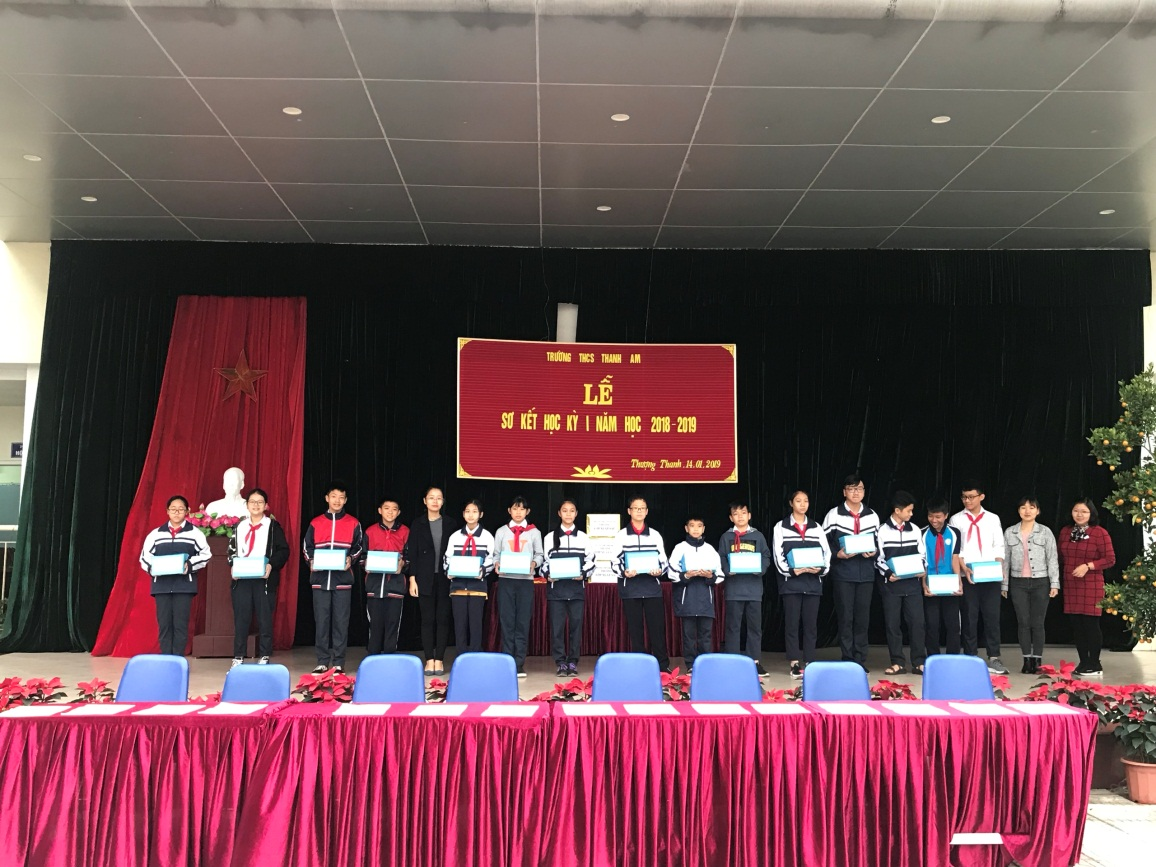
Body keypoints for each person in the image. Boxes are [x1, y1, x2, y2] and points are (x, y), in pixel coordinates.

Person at [303, 481, 364, 674]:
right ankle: (322, 661)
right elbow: (307, 547)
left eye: (341, 497)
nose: (337, 500)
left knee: (341, 623)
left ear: (345, 500)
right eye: (334, 496)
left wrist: (350, 559)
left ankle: (338, 662)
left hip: (343, 581)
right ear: (327, 498)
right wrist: (311, 560)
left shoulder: (353, 523)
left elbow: (359, 547)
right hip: (319, 581)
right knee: (321, 622)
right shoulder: (315, 523)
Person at [139, 495, 211, 656]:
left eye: (180, 509)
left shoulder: (195, 533)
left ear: (187, 511)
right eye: (173, 509)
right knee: (164, 624)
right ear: (167, 511)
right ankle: (166, 658)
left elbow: (206, 555)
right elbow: (144, 557)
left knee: (180, 624)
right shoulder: (156, 534)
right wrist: (152, 568)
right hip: (161, 586)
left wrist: (189, 565)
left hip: (184, 586)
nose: (177, 512)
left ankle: (178, 658)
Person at [949, 480, 1008, 675]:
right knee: (969, 617)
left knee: (992, 617)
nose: (967, 501)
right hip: (968, 575)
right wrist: (964, 568)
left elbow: (998, 545)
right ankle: (970, 656)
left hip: (990, 575)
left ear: (981, 497)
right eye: (964, 497)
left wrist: (998, 565)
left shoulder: (992, 518)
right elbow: (956, 549)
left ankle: (994, 657)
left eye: (971, 497)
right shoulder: (956, 519)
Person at [226, 487, 290, 667]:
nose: (256, 505)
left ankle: (264, 654)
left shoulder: (273, 527)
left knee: (264, 618)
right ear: (247, 505)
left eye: (260, 502)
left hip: (264, 580)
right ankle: (238, 655)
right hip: (242, 579)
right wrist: (232, 565)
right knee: (241, 618)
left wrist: (271, 565)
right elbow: (231, 551)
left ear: (266, 505)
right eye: (252, 502)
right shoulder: (239, 526)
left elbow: (284, 551)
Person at [822, 474, 880, 671]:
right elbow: (824, 543)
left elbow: (878, 543)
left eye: (859, 488)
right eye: (852, 489)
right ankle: (848, 658)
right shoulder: (834, 515)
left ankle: (860, 659)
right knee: (845, 617)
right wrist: (836, 554)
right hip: (843, 574)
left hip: (866, 574)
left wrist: (874, 552)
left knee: (862, 618)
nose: (856, 492)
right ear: (844, 492)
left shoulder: (872, 515)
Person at [770, 490, 831, 679]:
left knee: (811, 625)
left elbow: (826, 553)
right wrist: (790, 571)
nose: (802, 504)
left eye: (806, 501)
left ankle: (810, 661)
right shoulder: (781, 527)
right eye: (798, 501)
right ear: (791, 503)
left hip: (813, 583)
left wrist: (821, 570)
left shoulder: (816, 527)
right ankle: (794, 662)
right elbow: (778, 555)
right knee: (792, 624)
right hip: (791, 584)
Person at [1058, 498, 1116, 677]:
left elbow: (1110, 559)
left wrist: (1089, 566)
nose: (1079, 515)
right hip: (1071, 583)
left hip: (1091, 584)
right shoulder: (1066, 532)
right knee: (1077, 625)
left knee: (1091, 624)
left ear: (1091, 514)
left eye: (1084, 511)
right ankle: (1083, 662)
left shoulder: (1099, 533)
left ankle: (1095, 664)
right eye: (1076, 511)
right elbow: (1061, 556)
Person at [612, 496, 670, 672]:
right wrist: (624, 572)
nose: (639, 511)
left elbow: (664, 561)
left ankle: (662, 665)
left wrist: (659, 570)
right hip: (630, 589)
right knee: (635, 630)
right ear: (629, 511)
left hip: (652, 588)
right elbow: (614, 562)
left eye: (642, 508)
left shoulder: (655, 535)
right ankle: (640, 666)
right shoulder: (621, 535)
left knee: (657, 629)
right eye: (635, 508)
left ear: (647, 511)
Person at [1002, 496, 1060, 674]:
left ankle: (1038, 660)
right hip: (1018, 582)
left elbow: (1052, 558)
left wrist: (1054, 583)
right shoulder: (1010, 532)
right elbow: (1005, 561)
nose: (1027, 511)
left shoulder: (1045, 532)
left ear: (1038, 511)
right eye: (1023, 508)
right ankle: (1027, 660)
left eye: (1031, 507)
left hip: (1041, 581)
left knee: (1038, 623)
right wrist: (1004, 585)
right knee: (1023, 622)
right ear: (1018, 511)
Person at [406, 486, 457, 676]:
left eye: (439, 498)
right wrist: (412, 579)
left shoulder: (451, 524)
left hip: (445, 578)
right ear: (425, 501)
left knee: (443, 619)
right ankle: (429, 659)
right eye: (431, 498)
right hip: (424, 578)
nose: (435, 501)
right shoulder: (417, 524)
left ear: (443, 502)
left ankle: (439, 659)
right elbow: (413, 553)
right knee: (427, 620)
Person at [875, 491, 928, 675]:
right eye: (909, 511)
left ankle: (919, 662)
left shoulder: (915, 530)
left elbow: (923, 555)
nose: (912, 514)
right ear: (897, 511)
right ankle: (897, 662)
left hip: (912, 585)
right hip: (891, 585)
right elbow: (877, 558)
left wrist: (922, 568)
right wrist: (888, 573)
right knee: (893, 624)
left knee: (917, 623)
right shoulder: (881, 531)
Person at [718, 501, 772, 676]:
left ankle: (754, 661)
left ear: (749, 515)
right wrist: (728, 570)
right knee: (733, 627)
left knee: (754, 627)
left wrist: (760, 569)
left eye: (743, 513)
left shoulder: (758, 536)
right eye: (736, 514)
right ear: (730, 518)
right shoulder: (726, 537)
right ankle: (733, 661)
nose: (740, 517)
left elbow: (766, 556)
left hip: (754, 589)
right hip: (734, 589)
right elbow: (721, 557)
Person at [542, 499, 595, 677]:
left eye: (572, 510)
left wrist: (583, 573)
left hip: (576, 589)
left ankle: (573, 661)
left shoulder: (583, 537)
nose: (568, 514)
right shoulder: (549, 537)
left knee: (576, 627)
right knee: (557, 628)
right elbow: (545, 563)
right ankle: (560, 662)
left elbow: (591, 561)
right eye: (564, 510)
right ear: (559, 513)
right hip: (556, 590)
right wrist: (548, 574)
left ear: (576, 513)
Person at [493, 495, 544, 678]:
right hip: (506, 580)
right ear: (509, 511)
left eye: (522, 509)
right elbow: (495, 554)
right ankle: (508, 661)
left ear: (527, 511)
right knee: (507, 621)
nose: (518, 512)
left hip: (525, 582)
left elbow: (540, 555)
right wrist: (496, 564)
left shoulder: (534, 532)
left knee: (522, 622)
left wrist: (534, 563)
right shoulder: (501, 531)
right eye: (515, 508)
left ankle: (519, 663)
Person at [669, 515, 724, 673]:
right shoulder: (680, 548)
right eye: (692, 526)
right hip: (687, 599)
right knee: (689, 636)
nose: (695, 529)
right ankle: (691, 665)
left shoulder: (710, 549)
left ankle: (705, 664)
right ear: (686, 528)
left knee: (706, 635)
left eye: (699, 526)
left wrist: (710, 576)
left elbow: (720, 575)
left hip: (706, 599)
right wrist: (686, 575)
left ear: (703, 529)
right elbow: (671, 572)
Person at [445, 499, 495, 656]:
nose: (471, 515)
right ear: (463, 514)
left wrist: (482, 571)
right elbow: (447, 558)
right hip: (458, 587)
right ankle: (460, 657)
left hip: (477, 587)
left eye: (474, 511)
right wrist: (448, 571)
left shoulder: (487, 536)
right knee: (459, 624)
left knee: (476, 624)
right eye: (467, 511)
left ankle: (475, 657)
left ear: (481, 514)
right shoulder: (455, 536)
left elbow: (491, 559)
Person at [363, 495, 410, 656]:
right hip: (374, 587)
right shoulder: (370, 531)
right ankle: (373, 658)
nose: (390, 512)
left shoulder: (405, 532)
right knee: (374, 625)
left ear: (399, 512)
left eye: (394, 509)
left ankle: (390, 658)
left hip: (396, 587)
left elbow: (410, 557)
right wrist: (367, 564)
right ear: (380, 510)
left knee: (393, 625)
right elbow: (362, 556)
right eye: (386, 508)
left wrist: (402, 564)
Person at [922, 498, 963, 656]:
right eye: (931, 516)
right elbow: (922, 560)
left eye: (938, 516)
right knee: (932, 624)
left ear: (946, 515)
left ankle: (953, 657)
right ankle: (933, 657)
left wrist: (958, 581)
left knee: (953, 624)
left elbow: (955, 557)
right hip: (931, 584)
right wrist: (924, 584)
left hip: (949, 584)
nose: (934, 520)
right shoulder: (922, 533)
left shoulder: (954, 533)